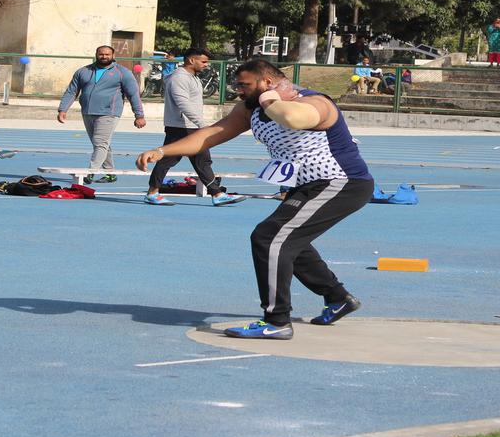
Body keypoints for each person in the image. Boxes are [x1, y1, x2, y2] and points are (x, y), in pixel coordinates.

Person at [135, 59, 372, 340]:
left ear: (268, 83)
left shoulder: (315, 102)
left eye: (245, 85)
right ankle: (337, 297)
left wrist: (271, 99)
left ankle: (277, 320)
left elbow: (293, 119)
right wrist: (162, 151)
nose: (238, 90)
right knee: (289, 241)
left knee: (269, 238)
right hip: (308, 185)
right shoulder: (251, 110)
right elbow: (211, 135)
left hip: (341, 182)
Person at [144, 48, 246, 207]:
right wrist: (202, 125)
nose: (206, 65)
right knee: (169, 159)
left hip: (191, 126)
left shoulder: (193, 77)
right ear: (191, 60)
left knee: (202, 160)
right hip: (181, 127)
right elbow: (182, 102)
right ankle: (152, 193)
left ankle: (217, 194)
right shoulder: (179, 78)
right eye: (203, 61)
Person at [56, 45, 147, 183]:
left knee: (100, 143)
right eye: (101, 54)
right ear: (96, 54)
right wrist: (63, 109)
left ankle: (90, 172)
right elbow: (71, 91)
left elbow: (133, 94)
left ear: (113, 56)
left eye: (107, 54)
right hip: (87, 112)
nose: (104, 57)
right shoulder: (83, 71)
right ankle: (110, 172)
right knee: (100, 144)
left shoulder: (122, 72)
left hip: (109, 113)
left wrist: (139, 115)